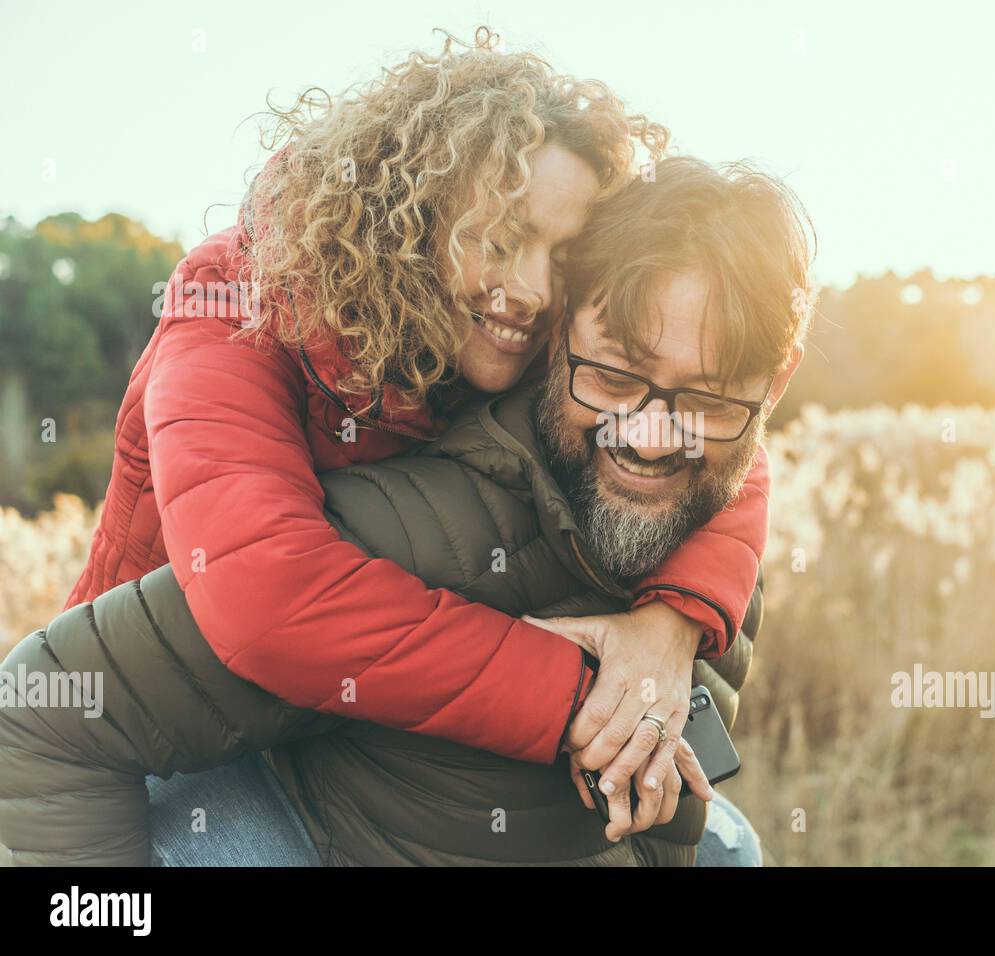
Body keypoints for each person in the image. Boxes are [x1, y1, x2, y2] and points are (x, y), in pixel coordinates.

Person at [0, 157, 812, 866]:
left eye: (708, 399)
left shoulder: (710, 491)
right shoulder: (245, 331)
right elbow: (70, 697)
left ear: (769, 391)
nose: (653, 435)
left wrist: (674, 622)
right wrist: (566, 695)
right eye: (617, 374)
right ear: (561, 332)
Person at [63, 29, 770, 792]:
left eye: (565, 260)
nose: (530, 291)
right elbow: (267, 597)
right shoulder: (233, 303)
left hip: (346, 733)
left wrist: (667, 627)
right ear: (410, 214)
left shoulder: (516, 335)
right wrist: (575, 697)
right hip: (155, 729)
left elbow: (728, 449)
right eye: (500, 240)